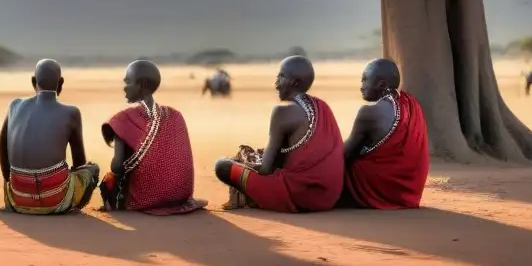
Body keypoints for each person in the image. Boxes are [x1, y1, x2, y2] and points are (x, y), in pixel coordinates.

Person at [214, 56, 344, 212]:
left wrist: (240, 163)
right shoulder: (322, 106)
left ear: (295, 82)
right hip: (329, 196)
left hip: (299, 195)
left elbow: (266, 169)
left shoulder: (282, 112)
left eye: (281, 77)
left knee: (222, 166)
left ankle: (253, 195)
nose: (276, 83)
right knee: (260, 154)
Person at [100, 60, 206, 214]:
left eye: (128, 82)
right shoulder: (175, 115)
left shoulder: (124, 119)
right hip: (180, 196)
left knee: (108, 181)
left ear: (142, 84)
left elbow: (116, 167)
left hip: (147, 199)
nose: (124, 87)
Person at [0, 59, 99, 214]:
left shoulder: (14, 105)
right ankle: (73, 205)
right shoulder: (72, 112)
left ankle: (13, 192)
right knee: (91, 169)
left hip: (18, 198)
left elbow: (2, 145)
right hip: (55, 199)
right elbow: (79, 161)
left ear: (33, 81)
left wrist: (9, 183)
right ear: (61, 83)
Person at [341, 58, 429, 209]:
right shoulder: (411, 103)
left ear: (381, 85)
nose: (361, 86)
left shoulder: (369, 112)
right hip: (408, 191)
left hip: (378, 189)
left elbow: (345, 154)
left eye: (364, 80)